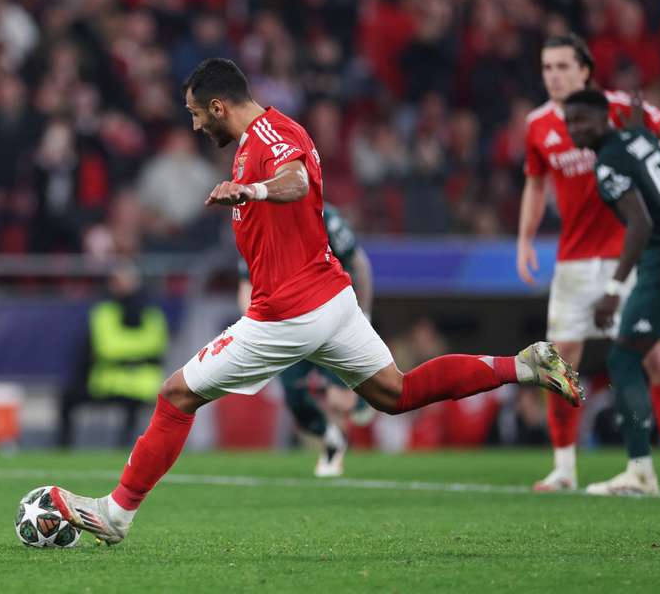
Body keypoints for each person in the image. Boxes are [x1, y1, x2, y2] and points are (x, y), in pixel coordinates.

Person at [49, 58, 583, 546]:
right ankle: (523, 365)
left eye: (195, 114)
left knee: (176, 397)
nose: (194, 126)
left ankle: (116, 514)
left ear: (218, 107)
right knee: (395, 392)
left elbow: (296, 181)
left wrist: (253, 191)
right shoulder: (261, 139)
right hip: (331, 301)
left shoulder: (271, 137)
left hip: (289, 313)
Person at [516, 33, 660, 491]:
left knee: (653, 360)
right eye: (546, 67)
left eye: (562, 66)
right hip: (573, 259)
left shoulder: (614, 108)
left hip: (625, 255)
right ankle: (565, 469)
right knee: (559, 362)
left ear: (585, 70)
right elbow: (536, 183)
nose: (553, 75)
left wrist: (647, 151)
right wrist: (525, 239)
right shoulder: (537, 125)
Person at [563, 89, 660, 494]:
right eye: (569, 122)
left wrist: (614, 289)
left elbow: (640, 225)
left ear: (605, 119)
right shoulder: (641, 138)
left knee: (622, 358)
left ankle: (640, 471)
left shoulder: (608, 163)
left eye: (582, 120)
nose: (574, 129)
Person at [237, 202, 375, 477]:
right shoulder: (256, 227)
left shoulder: (327, 219)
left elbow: (359, 265)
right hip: (289, 325)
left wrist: (366, 313)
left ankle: (333, 458)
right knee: (296, 399)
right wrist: (253, 325)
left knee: (338, 400)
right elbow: (246, 285)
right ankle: (331, 435)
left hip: (333, 319)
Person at [57, 263, 169, 448]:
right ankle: (62, 448)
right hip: (110, 382)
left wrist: (124, 353)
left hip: (139, 385)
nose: (121, 286)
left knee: (133, 405)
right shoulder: (105, 312)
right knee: (67, 396)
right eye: (117, 281)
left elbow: (153, 347)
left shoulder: (151, 315)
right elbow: (109, 348)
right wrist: (137, 354)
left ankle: (127, 450)